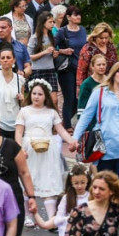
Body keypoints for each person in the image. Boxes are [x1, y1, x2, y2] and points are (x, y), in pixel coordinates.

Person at [74, 61, 119, 190]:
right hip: (104, 148)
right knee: (106, 189)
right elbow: (86, 116)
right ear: (114, 73)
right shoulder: (99, 92)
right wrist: (74, 139)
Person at [15, 79, 77, 216]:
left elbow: (60, 130)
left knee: (48, 181)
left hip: (48, 150)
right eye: (34, 93)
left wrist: (71, 141)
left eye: (40, 94)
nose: (36, 97)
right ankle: (27, 216)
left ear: (45, 96)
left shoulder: (51, 112)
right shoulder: (24, 111)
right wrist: (20, 149)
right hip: (29, 150)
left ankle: (51, 216)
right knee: (29, 180)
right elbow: (19, 132)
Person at [54, 5, 86, 127]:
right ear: (68, 17)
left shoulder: (82, 30)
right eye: (75, 14)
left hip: (81, 68)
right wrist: (63, 51)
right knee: (70, 97)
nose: (78, 17)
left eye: (79, 14)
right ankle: (67, 126)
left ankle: (66, 122)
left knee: (78, 98)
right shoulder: (63, 31)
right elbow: (53, 48)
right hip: (67, 69)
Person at [76, 23, 117, 93]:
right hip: (92, 84)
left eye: (106, 38)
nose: (104, 40)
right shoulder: (88, 49)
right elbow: (81, 70)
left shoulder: (111, 47)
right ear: (95, 36)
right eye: (101, 38)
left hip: (109, 83)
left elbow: (116, 65)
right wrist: (80, 87)